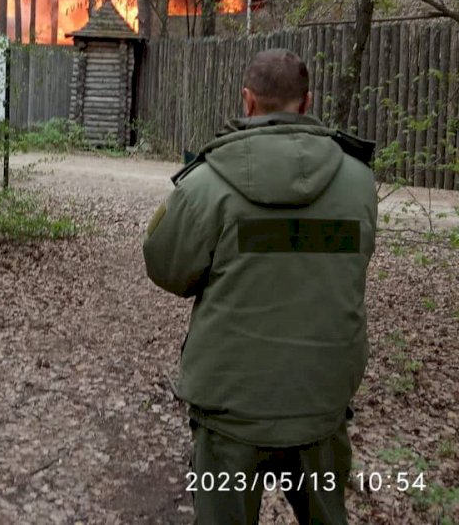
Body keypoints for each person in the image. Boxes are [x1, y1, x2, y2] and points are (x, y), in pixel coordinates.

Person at [143, 48, 377, 525]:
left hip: (232, 407)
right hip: (320, 400)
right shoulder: (358, 182)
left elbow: (166, 268)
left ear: (246, 102)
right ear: (306, 102)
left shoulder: (206, 186)